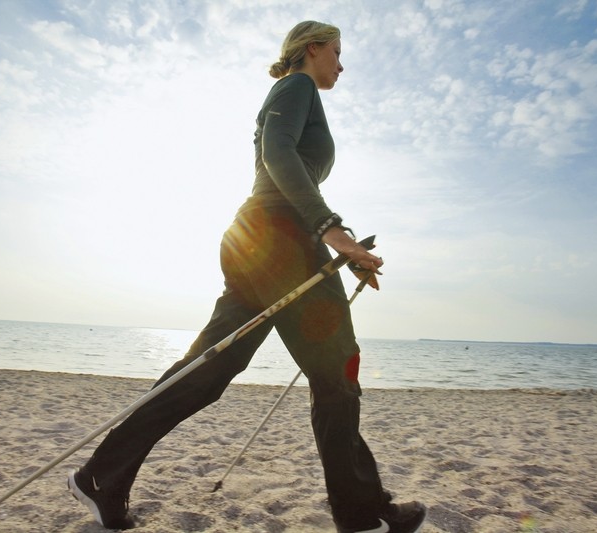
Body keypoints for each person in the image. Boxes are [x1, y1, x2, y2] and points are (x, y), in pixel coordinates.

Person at [67, 20, 427, 533]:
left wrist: (332, 242)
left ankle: (102, 476)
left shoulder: (297, 93)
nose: (342, 65)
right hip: (277, 243)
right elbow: (276, 155)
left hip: (265, 243)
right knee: (335, 377)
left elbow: (284, 166)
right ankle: (361, 512)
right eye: (338, 53)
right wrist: (333, 231)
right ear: (313, 48)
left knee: (208, 373)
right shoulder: (296, 85)